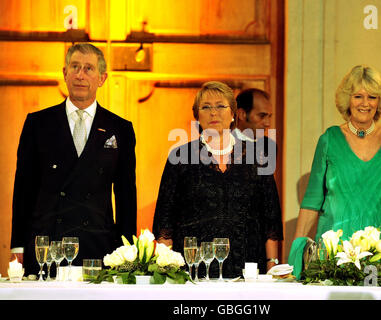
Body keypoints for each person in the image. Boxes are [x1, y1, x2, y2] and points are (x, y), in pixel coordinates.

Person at [10, 43, 137, 276]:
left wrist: (128, 251)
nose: (80, 74)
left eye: (88, 68)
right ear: (64, 73)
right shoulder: (38, 124)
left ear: (102, 78)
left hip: (99, 246)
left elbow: (126, 195)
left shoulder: (120, 128)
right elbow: (23, 189)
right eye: (75, 67)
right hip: (47, 245)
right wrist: (18, 244)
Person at [289, 65, 381, 277]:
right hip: (335, 252)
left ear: (380, 101)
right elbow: (311, 202)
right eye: (358, 96)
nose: (365, 103)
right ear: (348, 99)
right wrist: (296, 254)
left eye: (372, 97)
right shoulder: (329, 140)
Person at [153, 81, 283, 278]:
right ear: (197, 116)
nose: (214, 113)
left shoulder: (258, 158)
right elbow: (165, 220)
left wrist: (272, 264)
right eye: (206, 107)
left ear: (233, 113)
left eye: (221, 106)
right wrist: (165, 270)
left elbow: (270, 219)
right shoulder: (179, 157)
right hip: (193, 271)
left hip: (248, 270)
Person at [233, 88, 277, 175]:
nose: (267, 123)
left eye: (269, 116)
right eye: (262, 116)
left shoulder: (270, 146)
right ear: (242, 114)